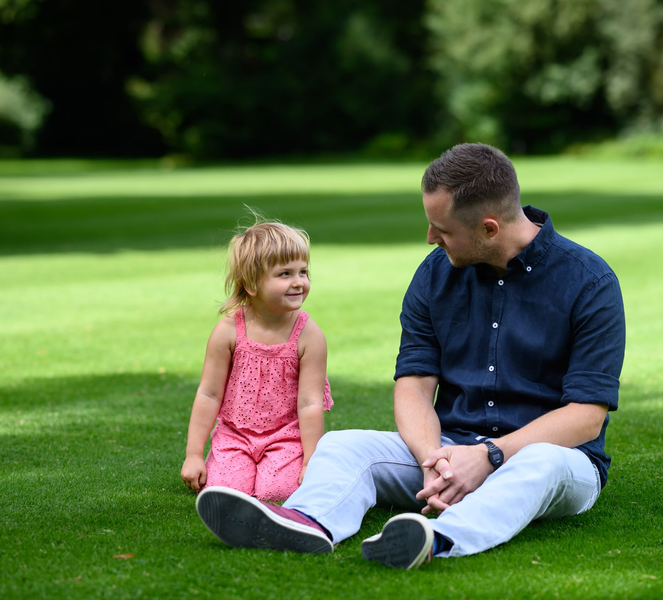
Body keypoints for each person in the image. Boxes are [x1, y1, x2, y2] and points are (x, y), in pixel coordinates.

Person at [194, 143, 625, 569]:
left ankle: (437, 537)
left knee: (541, 461)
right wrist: (431, 458)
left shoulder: (589, 282)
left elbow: (586, 415)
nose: (430, 237)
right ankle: (307, 522)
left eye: (442, 228)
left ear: (489, 229)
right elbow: (414, 386)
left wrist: (489, 455)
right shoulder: (434, 273)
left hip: (555, 460)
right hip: (448, 450)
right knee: (343, 445)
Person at [180, 220, 333, 503]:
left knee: (277, 492)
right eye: (285, 274)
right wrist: (193, 455)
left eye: (303, 272)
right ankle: (230, 467)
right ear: (251, 284)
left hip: (287, 438)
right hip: (234, 436)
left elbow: (310, 403)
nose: (299, 282)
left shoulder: (309, 336)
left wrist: (311, 462)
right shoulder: (228, 331)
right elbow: (209, 393)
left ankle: (276, 473)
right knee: (227, 493)